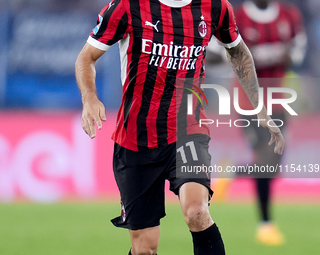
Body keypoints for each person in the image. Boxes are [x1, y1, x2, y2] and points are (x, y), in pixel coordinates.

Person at [75, 0, 284, 254]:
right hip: (136, 138)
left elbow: (238, 52)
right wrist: (89, 98)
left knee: (196, 212)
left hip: (188, 130)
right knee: (145, 248)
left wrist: (259, 108)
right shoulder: (127, 6)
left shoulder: (215, 6)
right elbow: (86, 57)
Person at [229, 0, 305, 247]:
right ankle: (265, 225)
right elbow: (223, 55)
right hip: (249, 103)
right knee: (265, 161)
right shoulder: (237, 17)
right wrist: (255, 58)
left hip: (279, 101)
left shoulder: (288, 16)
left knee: (273, 162)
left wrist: (289, 55)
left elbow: (298, 52)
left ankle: (231, 171)